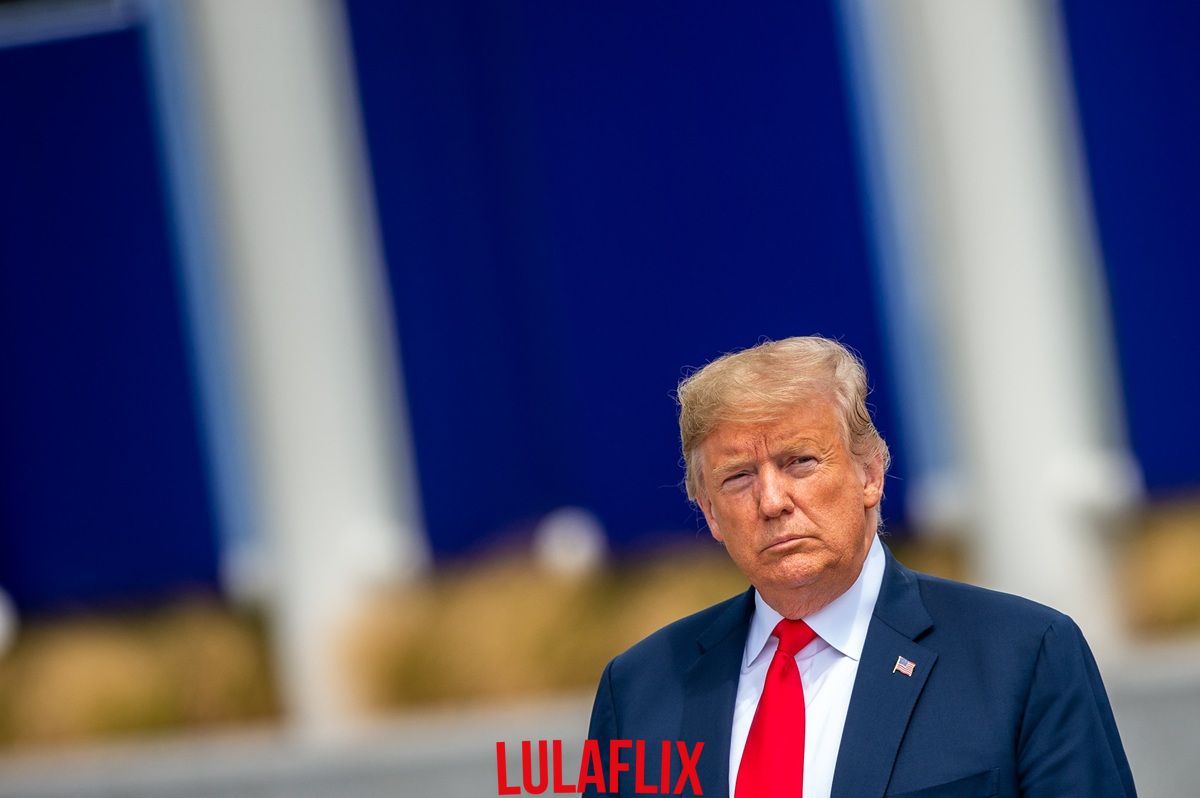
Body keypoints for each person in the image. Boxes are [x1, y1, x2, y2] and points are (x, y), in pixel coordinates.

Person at [585, 336, 1136, 797]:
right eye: (738, 477)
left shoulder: (1022, 655)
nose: (771, 501)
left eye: (799, 461)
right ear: (710, 511)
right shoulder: (639, 692)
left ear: (870, 474)